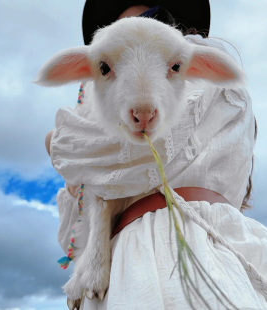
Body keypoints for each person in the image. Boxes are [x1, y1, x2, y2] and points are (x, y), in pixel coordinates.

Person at [46, 1, 267, 309]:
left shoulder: (202, 69)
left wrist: (62, 147)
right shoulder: (100, 104)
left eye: (152, 19)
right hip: (121, 256)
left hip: (179, 242)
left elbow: (112, 161)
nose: (138, 32)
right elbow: (76, 223)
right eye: (117, 31)